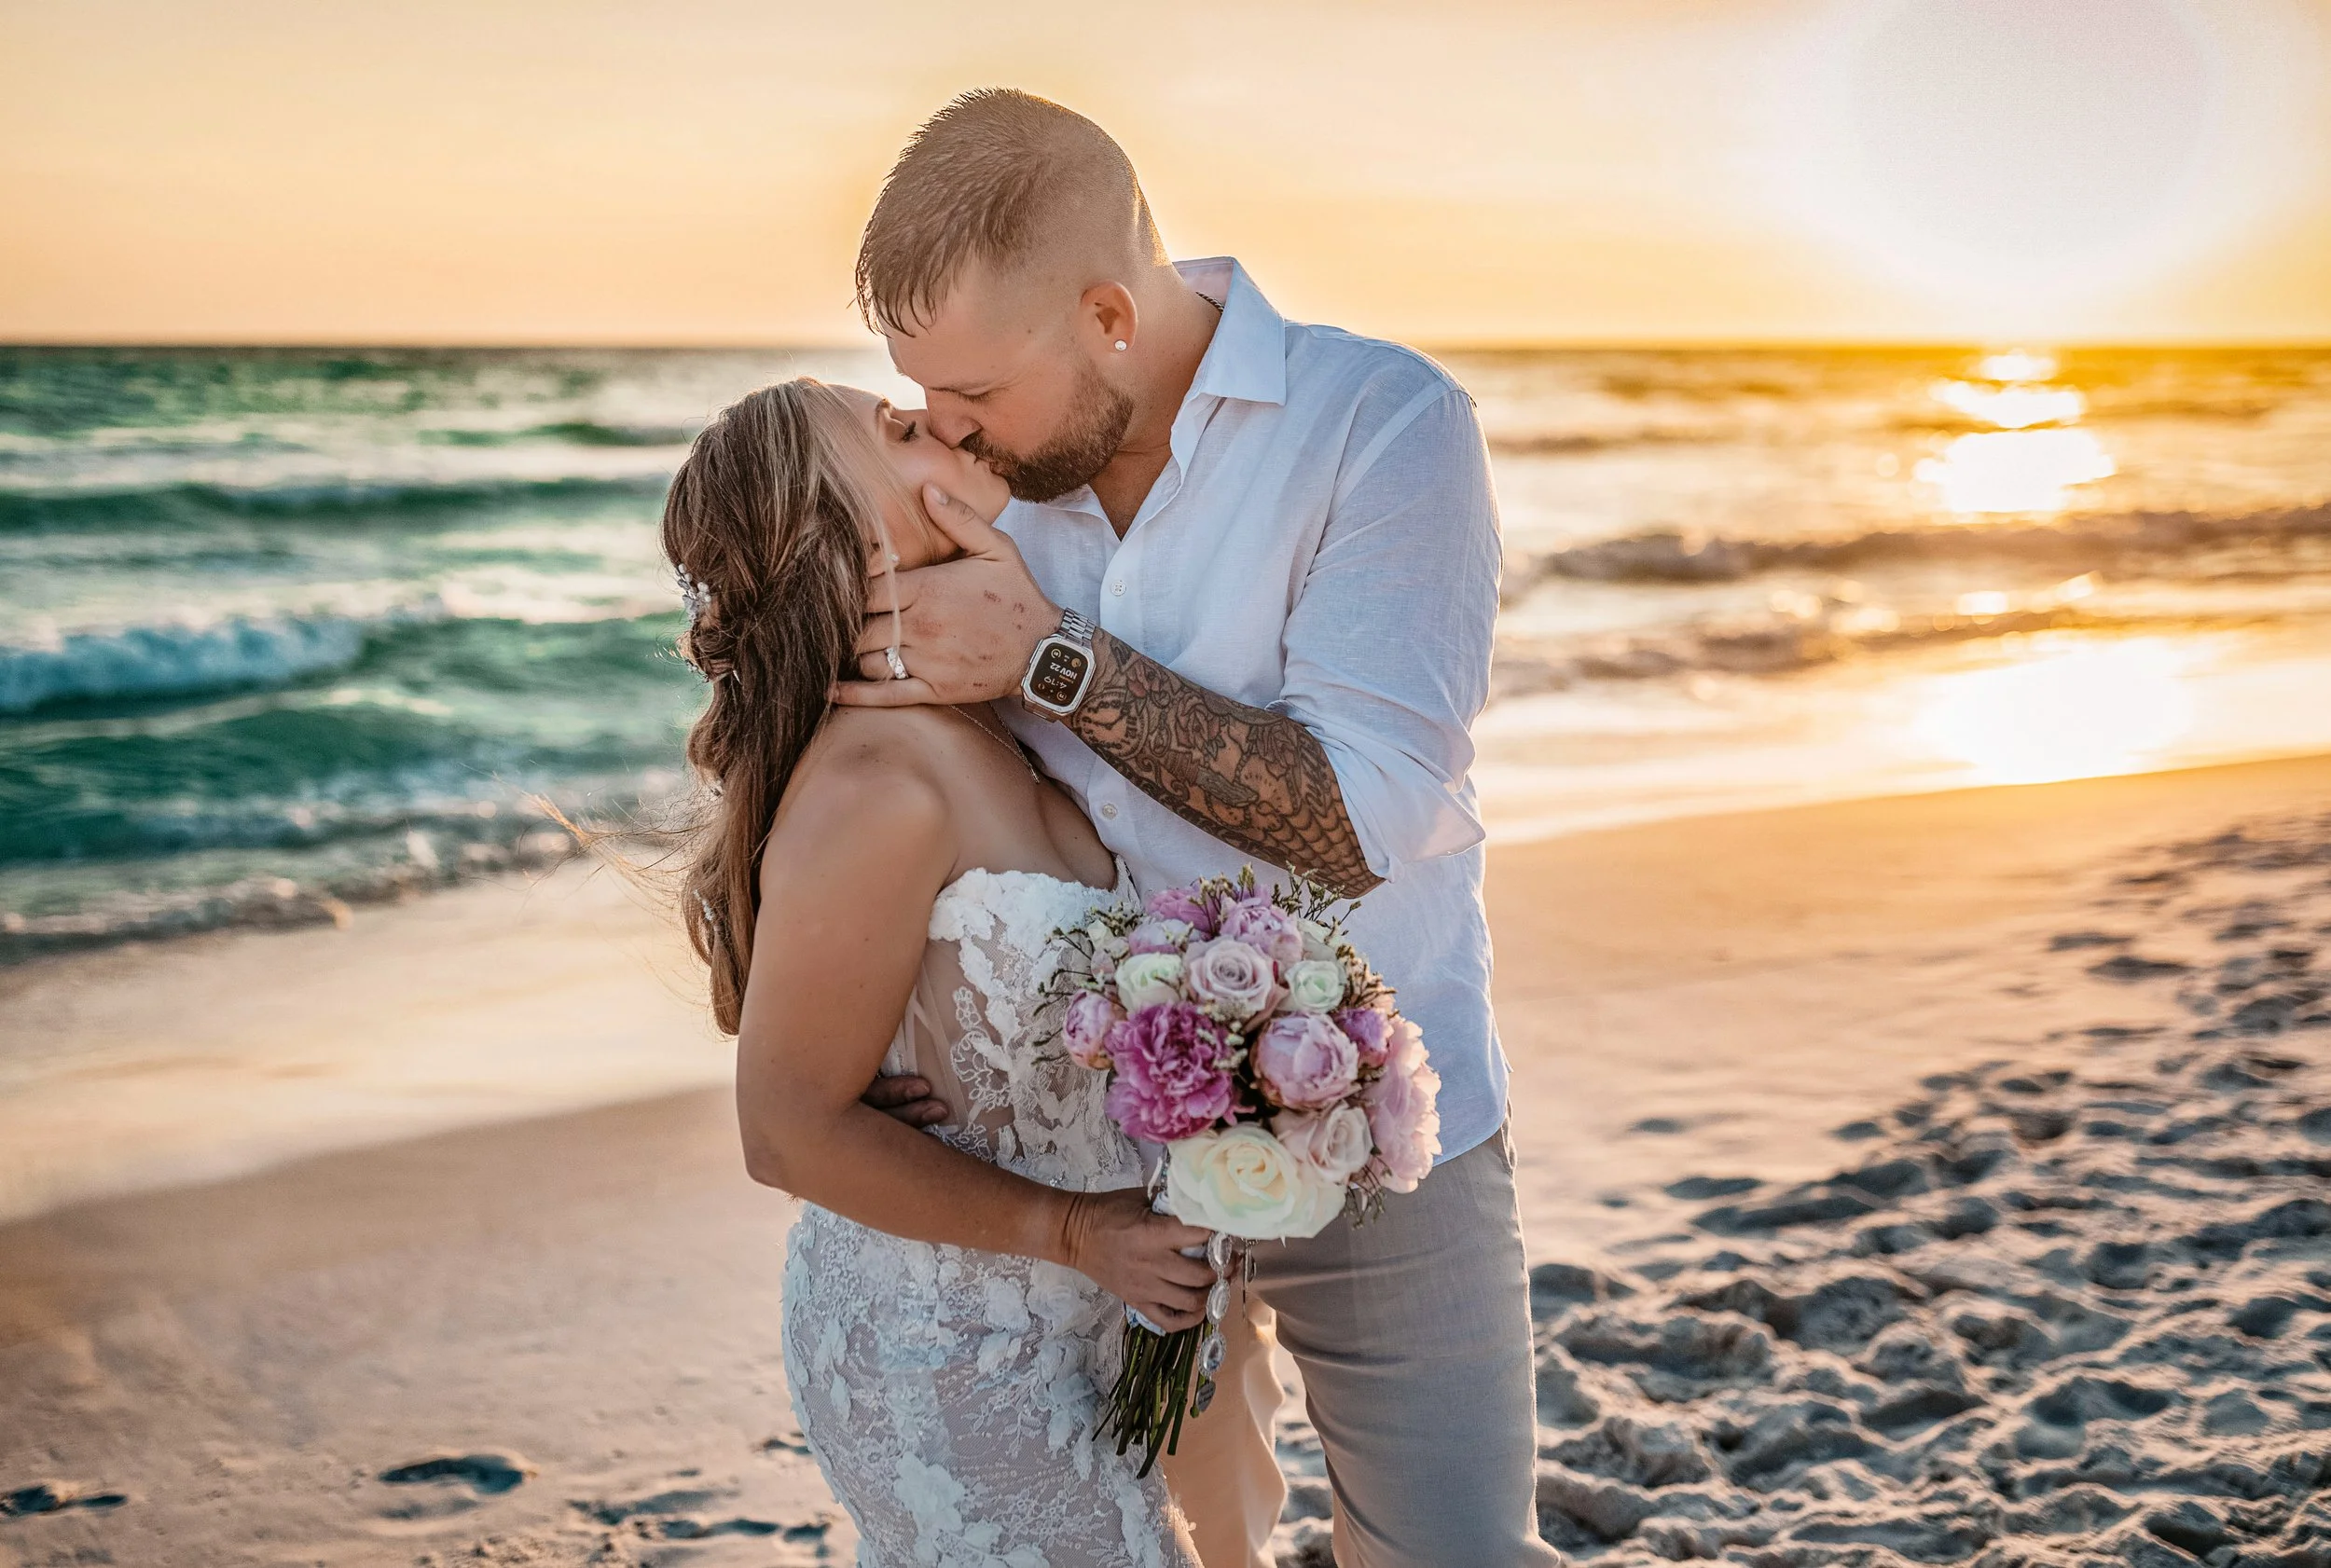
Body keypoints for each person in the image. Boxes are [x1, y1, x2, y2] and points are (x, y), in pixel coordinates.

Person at [840, 90, 1558, 1567]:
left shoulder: (1382, 426)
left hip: (1377, 1118)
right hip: (1085, 1160)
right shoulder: (962, 483)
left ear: (1108, 315)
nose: (944, 424)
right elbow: (842, 776)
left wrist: (1052, 659)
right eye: (919, 390)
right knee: (1183, 1543)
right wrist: (856, 1041)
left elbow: (1362, 817)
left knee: (1455, 1549)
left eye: (973, 387)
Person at [661, 375, 1220, 1566]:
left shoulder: (987, 713)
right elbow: (783, 1130)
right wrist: (1076, 1229)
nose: (940, 422)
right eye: (897, 432)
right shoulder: (878, 779)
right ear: (848, 534)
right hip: (946, 1350)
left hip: (1075, 1325)